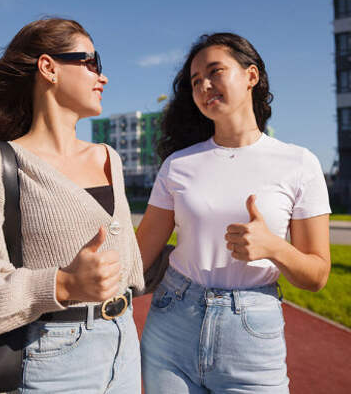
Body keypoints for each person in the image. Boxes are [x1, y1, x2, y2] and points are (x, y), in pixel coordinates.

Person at [0, 17, 144, 393]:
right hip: (51, 359)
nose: (102, 76)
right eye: (91, 62)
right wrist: (62, 283)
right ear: (49, 68)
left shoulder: (110, 158)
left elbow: (130, 266)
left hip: (125, 345)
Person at [136, 33, 331, 393]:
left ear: (251, 76)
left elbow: (317, 274)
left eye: (215, 72)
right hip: (172, 323)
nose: (204, 86)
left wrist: (274, 248)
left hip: (252, 333)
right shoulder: (178, 165)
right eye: (195, 82)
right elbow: (138, 257)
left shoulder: (299, 163)